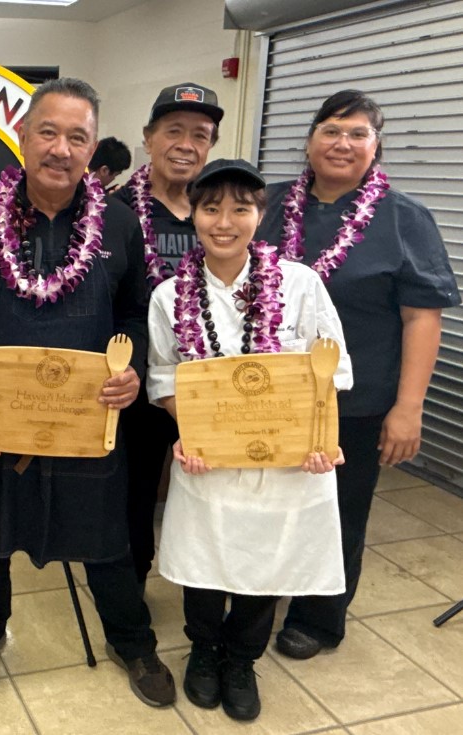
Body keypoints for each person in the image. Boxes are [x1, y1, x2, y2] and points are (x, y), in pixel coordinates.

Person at [0, 77, 175, 707]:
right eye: (49, 131)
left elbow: (135, 313)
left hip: (86, 419)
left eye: (78, 136)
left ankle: (133, 642)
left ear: (92, 149)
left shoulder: (118, 225)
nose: (61, 148)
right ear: (22, 136)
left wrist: (132, 371)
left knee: (107, 541)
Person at [256, 90, 460, 660]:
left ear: (377, 146)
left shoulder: (403, 218)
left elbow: (422, 316)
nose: (342, 143)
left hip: (358, 399)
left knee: (337, 510)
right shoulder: (268, 205)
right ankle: (262, 591)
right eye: (330, 130)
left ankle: (318, 619)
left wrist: (409, 407)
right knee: (270, 501)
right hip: (273, 394)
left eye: (357, 133)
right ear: (310, 139)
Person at [147, 158, 351, 720]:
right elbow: (164, 376)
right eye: (211, 208)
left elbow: (331, 369)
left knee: (269, 561)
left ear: (261, 215)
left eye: (241, 208)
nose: (225, 221)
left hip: (286, 462)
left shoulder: (301, 284)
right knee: (205, 561)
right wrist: (186, 430)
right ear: (193, 214)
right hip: (210, 456)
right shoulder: (169, 296)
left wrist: (320, 438)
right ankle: (204, 652)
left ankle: (242, 658)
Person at [114, 83, 223, 586]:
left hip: (211, 378)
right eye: (173, 131)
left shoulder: (222, 212)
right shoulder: (112, 213)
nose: (186, 144)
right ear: (148, 138)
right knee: (134, 488)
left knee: (216, 481)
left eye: (199, 135)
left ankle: (210, 580)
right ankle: (131, 580)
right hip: (138, 379)